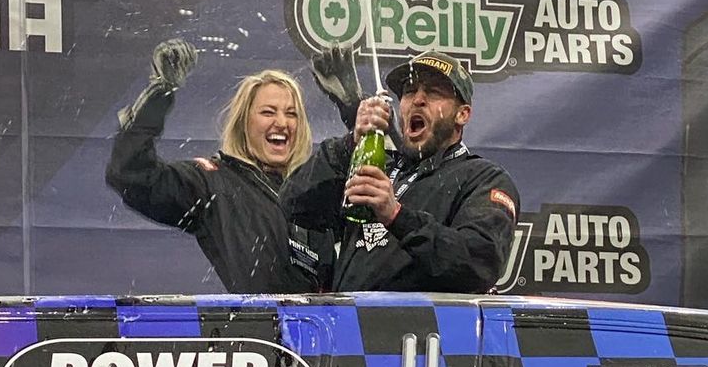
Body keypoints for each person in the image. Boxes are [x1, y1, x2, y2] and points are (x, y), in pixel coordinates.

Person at [282, 51, 519, 292]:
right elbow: (293, 205)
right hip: (346, 315)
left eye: (433, 92)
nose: (418, 99)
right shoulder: (379, 167)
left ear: (462, 114)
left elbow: (478, 264)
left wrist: (396, 216)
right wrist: (351, 144)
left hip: (422, 318)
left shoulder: (483, 179)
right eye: (409, 91)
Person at [106, 40, 332, 292]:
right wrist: (159, 93)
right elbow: (133, 176)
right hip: (265, 319)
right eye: (268, 112)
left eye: (291, 114)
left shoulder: (314, 192)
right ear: (243, 123)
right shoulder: (215, 182)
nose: (282, 122)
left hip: (332, 317)